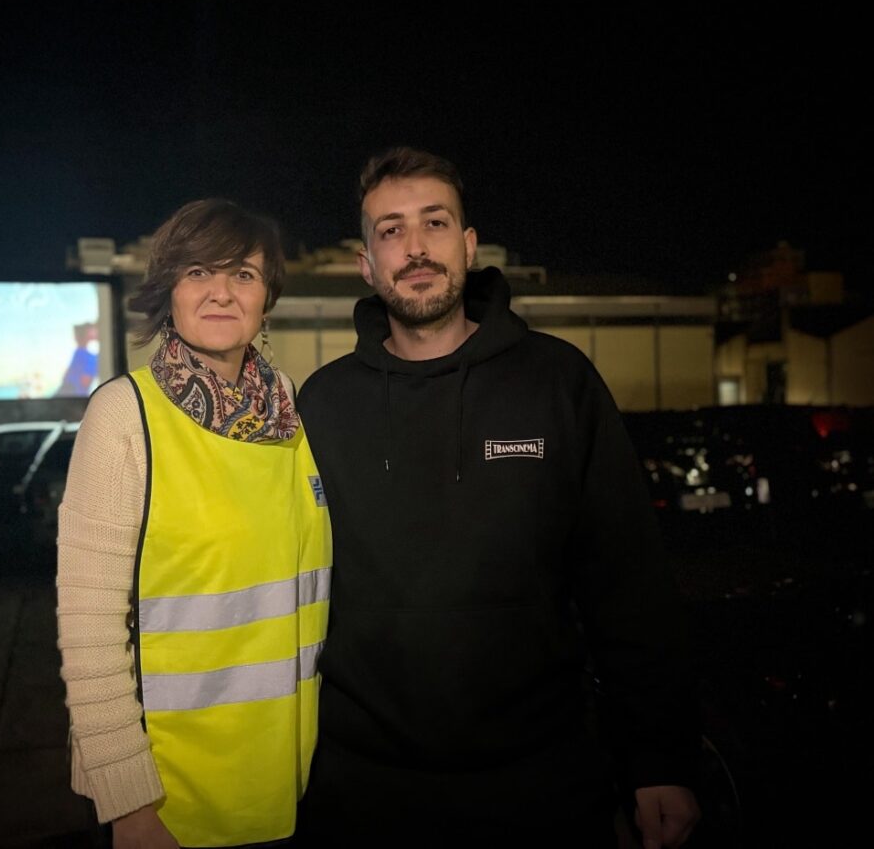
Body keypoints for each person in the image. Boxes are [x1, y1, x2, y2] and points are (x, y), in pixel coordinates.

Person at [295, 148, 702, 847]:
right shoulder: (324, 403)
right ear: (366, 263)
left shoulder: (557, 381)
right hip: (363, 788)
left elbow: (628, 580)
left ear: (469, 245)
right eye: (391, 230)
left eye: (434, 222)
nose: (415, 247)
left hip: (543, 780)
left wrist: (658, 758)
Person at [56, 199, 332, 848]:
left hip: (284, 781)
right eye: (198, 272)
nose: (221, 292)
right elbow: (90, 629)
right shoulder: (124, 416)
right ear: (169, 292)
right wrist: (129, 804)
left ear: (266, 299)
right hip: (172, 800)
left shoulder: (288, 414)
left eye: (243, 274)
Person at [56, 321, 101, 397]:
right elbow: (84, 381)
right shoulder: (86, 356)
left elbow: (84, 380)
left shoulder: (90, 358)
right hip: (72, 396)